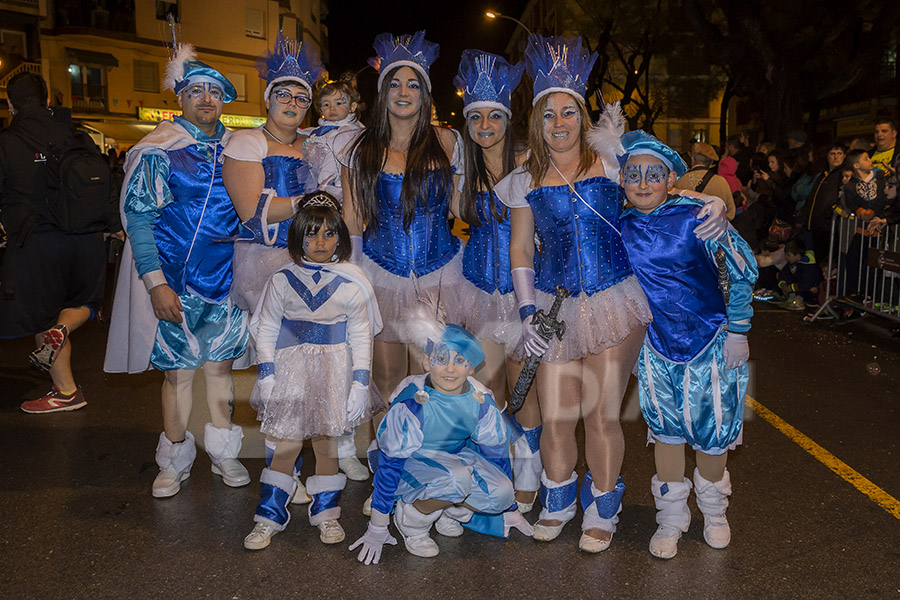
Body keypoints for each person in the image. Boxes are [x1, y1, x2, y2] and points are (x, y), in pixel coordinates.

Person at [496, 34, 728, 553]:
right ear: (537, 122)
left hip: (615, 300)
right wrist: (527, 311)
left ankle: (604, 505)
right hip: (555, 307)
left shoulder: (611, 162)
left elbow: (660, 182)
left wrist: (715, 205)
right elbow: (520, 251)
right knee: (557, 412)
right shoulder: (524, 178)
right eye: (549, 114)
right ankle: (559, 500)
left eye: (569, 112)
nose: (559, 123)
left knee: (600, 413)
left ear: (583, 118)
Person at [104, 44, 250, 497]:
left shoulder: (241, 149)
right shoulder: (159, 150)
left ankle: (223, 451)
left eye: (214, 92)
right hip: (176, 284)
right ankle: (173, 457)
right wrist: (155, 285)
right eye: (196, 91)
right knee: (179, 375)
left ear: (224, 99)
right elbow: (139, 221)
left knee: (221, 372)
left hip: (229, 284)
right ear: (180, 98)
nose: (206, 99)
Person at [616, 130, 757, 560]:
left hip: (711, 342)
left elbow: (740, 267)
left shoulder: (695, 216)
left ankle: (714, 513)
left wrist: (738, 329)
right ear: (621, 180)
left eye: (653, 174)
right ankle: (671, 517)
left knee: (713, 434)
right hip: (656, 348)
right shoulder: (617, 226)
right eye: (633, 174)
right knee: (667, 435)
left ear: (670, 179)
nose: (643, 182)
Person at [243, 191, 382, 550]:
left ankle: (327, 515)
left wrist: (359, 384)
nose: (319, 243)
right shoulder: (281, 279)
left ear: (340, 236)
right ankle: (269, 516)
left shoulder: (353, 279)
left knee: (326, 446)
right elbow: (267, 327)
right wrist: (268, 374)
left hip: (334, 371)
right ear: (297, 236)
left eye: (328, 234)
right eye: (310, 234)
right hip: (292, 370)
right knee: (286, 444)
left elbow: (362, 334)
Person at [340, 30, 464, 421]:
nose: (403, 91)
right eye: (394, 83)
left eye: (413, 84)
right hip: (380, 273)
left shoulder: (448, 141)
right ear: (383, 93)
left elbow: (461, 206)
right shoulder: (358, 148)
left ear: (425, 93)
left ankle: (431, 464)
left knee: (437, 376)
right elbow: (352, 217)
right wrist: (353, 276)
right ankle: (390, 462)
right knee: (388, 376)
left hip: (442, 275)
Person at [349, 306, 522, 565]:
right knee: (456, 479)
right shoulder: (413, 402)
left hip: (455, 459)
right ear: (427, 362)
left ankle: (445, 511)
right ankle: (412, 522)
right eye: (442, 359)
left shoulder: (481, 399)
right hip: (410, 461)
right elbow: (390, 463)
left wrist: (511, 508)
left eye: (460, 361)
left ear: (471, 368)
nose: (450, 369)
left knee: (502, 493)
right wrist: (378, 524)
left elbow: (496, 452)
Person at [453, 49, 542, 512]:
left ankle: (530, 472)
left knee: (521, 384)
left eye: (494, 115)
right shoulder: (463, 167)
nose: (484, 124)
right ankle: (491, 473)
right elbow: (453, 214)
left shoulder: (532, 161)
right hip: (476, 288)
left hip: (522, 290)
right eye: (475, 117)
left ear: (508, 119)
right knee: (484, 387)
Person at [0, 72, 116, 413]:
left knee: (43, 316)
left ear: (10, 104)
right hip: (88, 239)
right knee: (84, 302)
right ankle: (64, 340)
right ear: (49, 99)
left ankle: (66, 388)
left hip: (38, 242)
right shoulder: (78, 134)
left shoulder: (8, 141)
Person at [223, 31, 323, 314]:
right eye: (284, 95)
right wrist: (309, 201)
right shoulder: (247, 141)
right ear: (268, 100)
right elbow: (251, 212)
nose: (292, 103)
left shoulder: (317, 140)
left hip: (318, 256)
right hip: (269, 261)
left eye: (301, 99)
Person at [303, 73, 364, 204]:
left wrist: (323, 187)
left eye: (338, 103)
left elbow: (332, 163)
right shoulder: (321, 130)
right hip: (317, 186)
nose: (332, 108)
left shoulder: (347, 133)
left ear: (352, 107)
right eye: (326, 104)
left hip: (335, 189)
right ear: (320, 109)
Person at [675, 141, 735, 219]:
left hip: (686, 229)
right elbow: (731, 213)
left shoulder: (679, 181)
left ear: (692, 159)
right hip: (714, 229)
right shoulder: (721, 182)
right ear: (711, 163)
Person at [777, 239, 822, 309]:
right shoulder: (792, 263)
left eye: (788, 255)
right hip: (794, 289)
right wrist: (783, 285)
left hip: (809, 291)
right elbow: (782, 274)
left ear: (797, 255)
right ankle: (791, 297)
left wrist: (790, 288)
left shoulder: (809, 266)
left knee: (809, 288)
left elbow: (807, 283)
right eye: (785, 255)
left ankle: (799, 300)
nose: (786, 257)